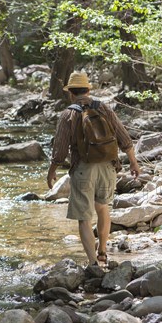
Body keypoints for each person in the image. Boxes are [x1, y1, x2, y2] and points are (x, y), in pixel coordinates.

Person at [47, 72, 140, 266]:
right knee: (103, 207)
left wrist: (52, 169)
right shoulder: (103, 107)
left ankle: (92, 263)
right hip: (108, 165)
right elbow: (123, 136)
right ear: (88, 90)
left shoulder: (68, 114)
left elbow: (61, 148)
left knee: (84, 217)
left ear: (71, 93)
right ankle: (103, 251)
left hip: (83, 168)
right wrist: (133, 162)